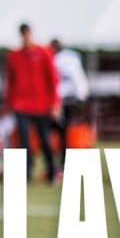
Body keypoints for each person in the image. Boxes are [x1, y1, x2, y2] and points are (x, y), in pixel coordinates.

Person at [4, 23, 60, 183]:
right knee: (24, 141)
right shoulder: (14, 56)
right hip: (21, 105)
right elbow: (10, 81)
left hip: (42, 105)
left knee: (45, 140)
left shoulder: (43, 53)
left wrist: (55, 103)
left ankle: (51, 171)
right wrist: (9, 103)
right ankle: (26, 173)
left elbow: (53, 79)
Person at [50, 38, 89, 167]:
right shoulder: (70, 59)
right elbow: (79, 80)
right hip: (68, 100)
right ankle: (62, 161)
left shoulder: (61, 60)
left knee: (61, 133)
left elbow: (74, 79)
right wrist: (81, 97)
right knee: (62, 133)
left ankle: (62, 162)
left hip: (63, 101)